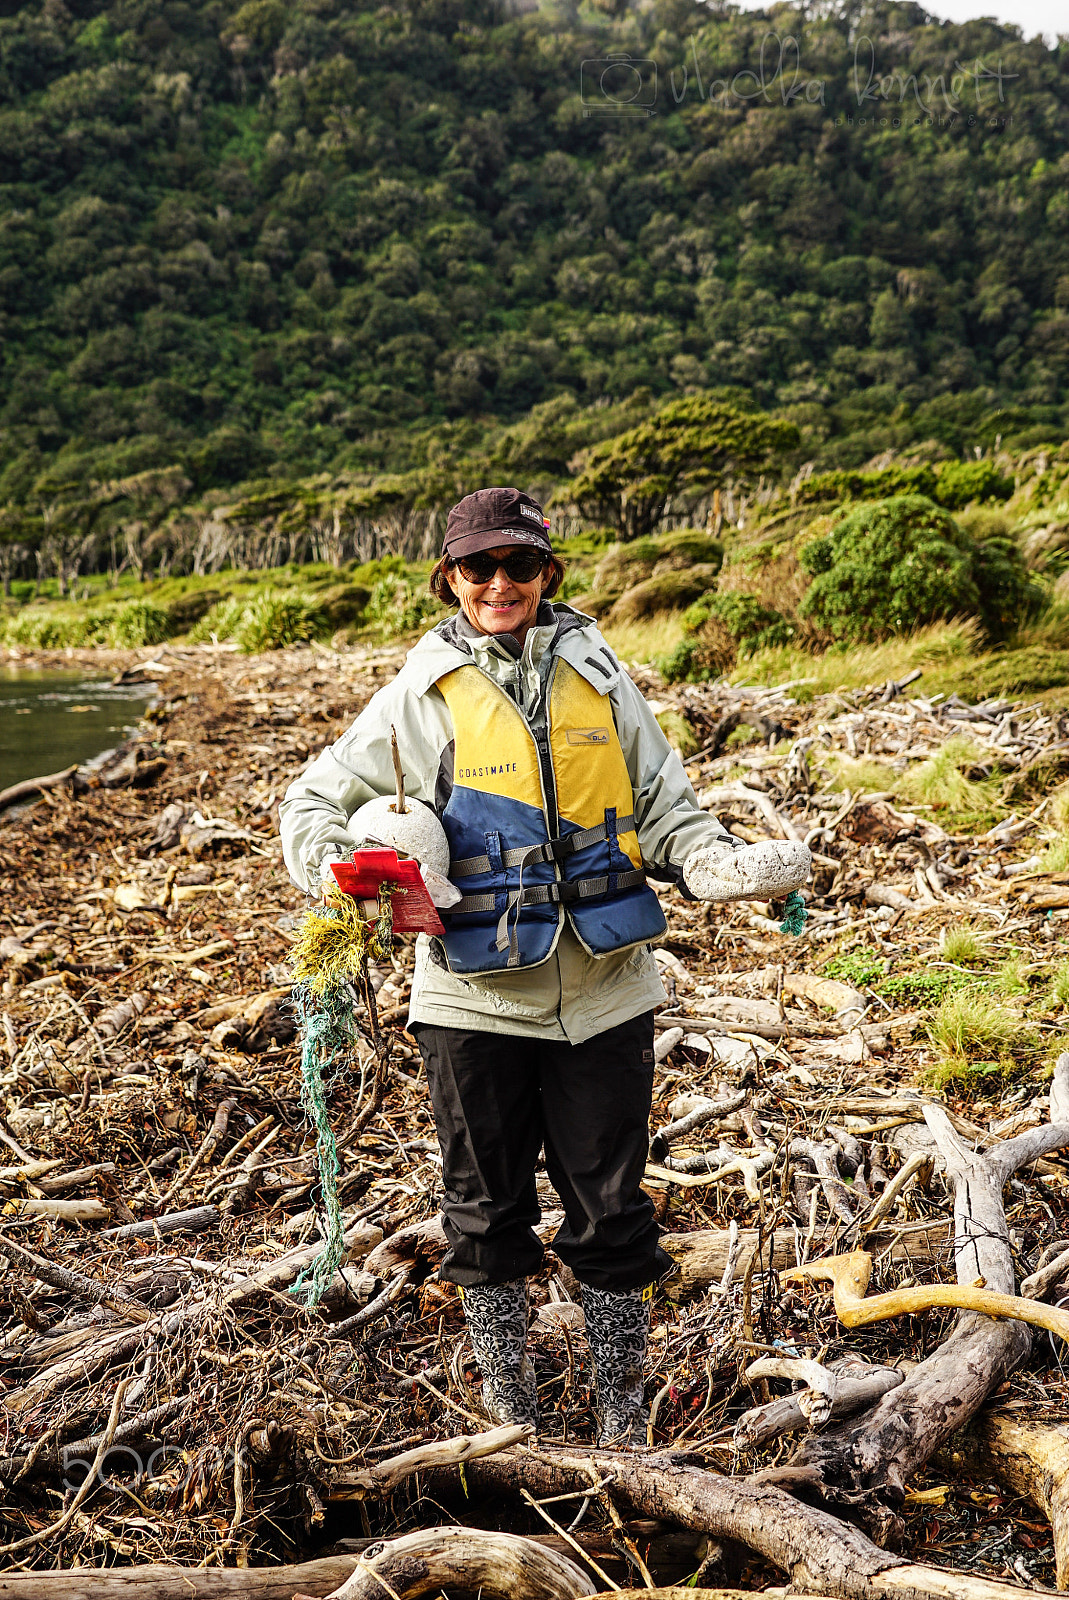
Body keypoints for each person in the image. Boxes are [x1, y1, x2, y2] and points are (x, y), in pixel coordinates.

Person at [279, 486, 809, 1445]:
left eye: (518, 565)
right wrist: (341, 873)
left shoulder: (604, 680)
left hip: (606, 992)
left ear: (547, 573)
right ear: (450, 579)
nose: (499, 584)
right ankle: (512, 1421)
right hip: (469, 998)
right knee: (483, 1215)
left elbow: (668, 808)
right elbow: (315, 802)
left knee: (612, 1212)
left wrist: (720, 865)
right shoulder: (416, 694)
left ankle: (618, 1420)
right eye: (478, 568)